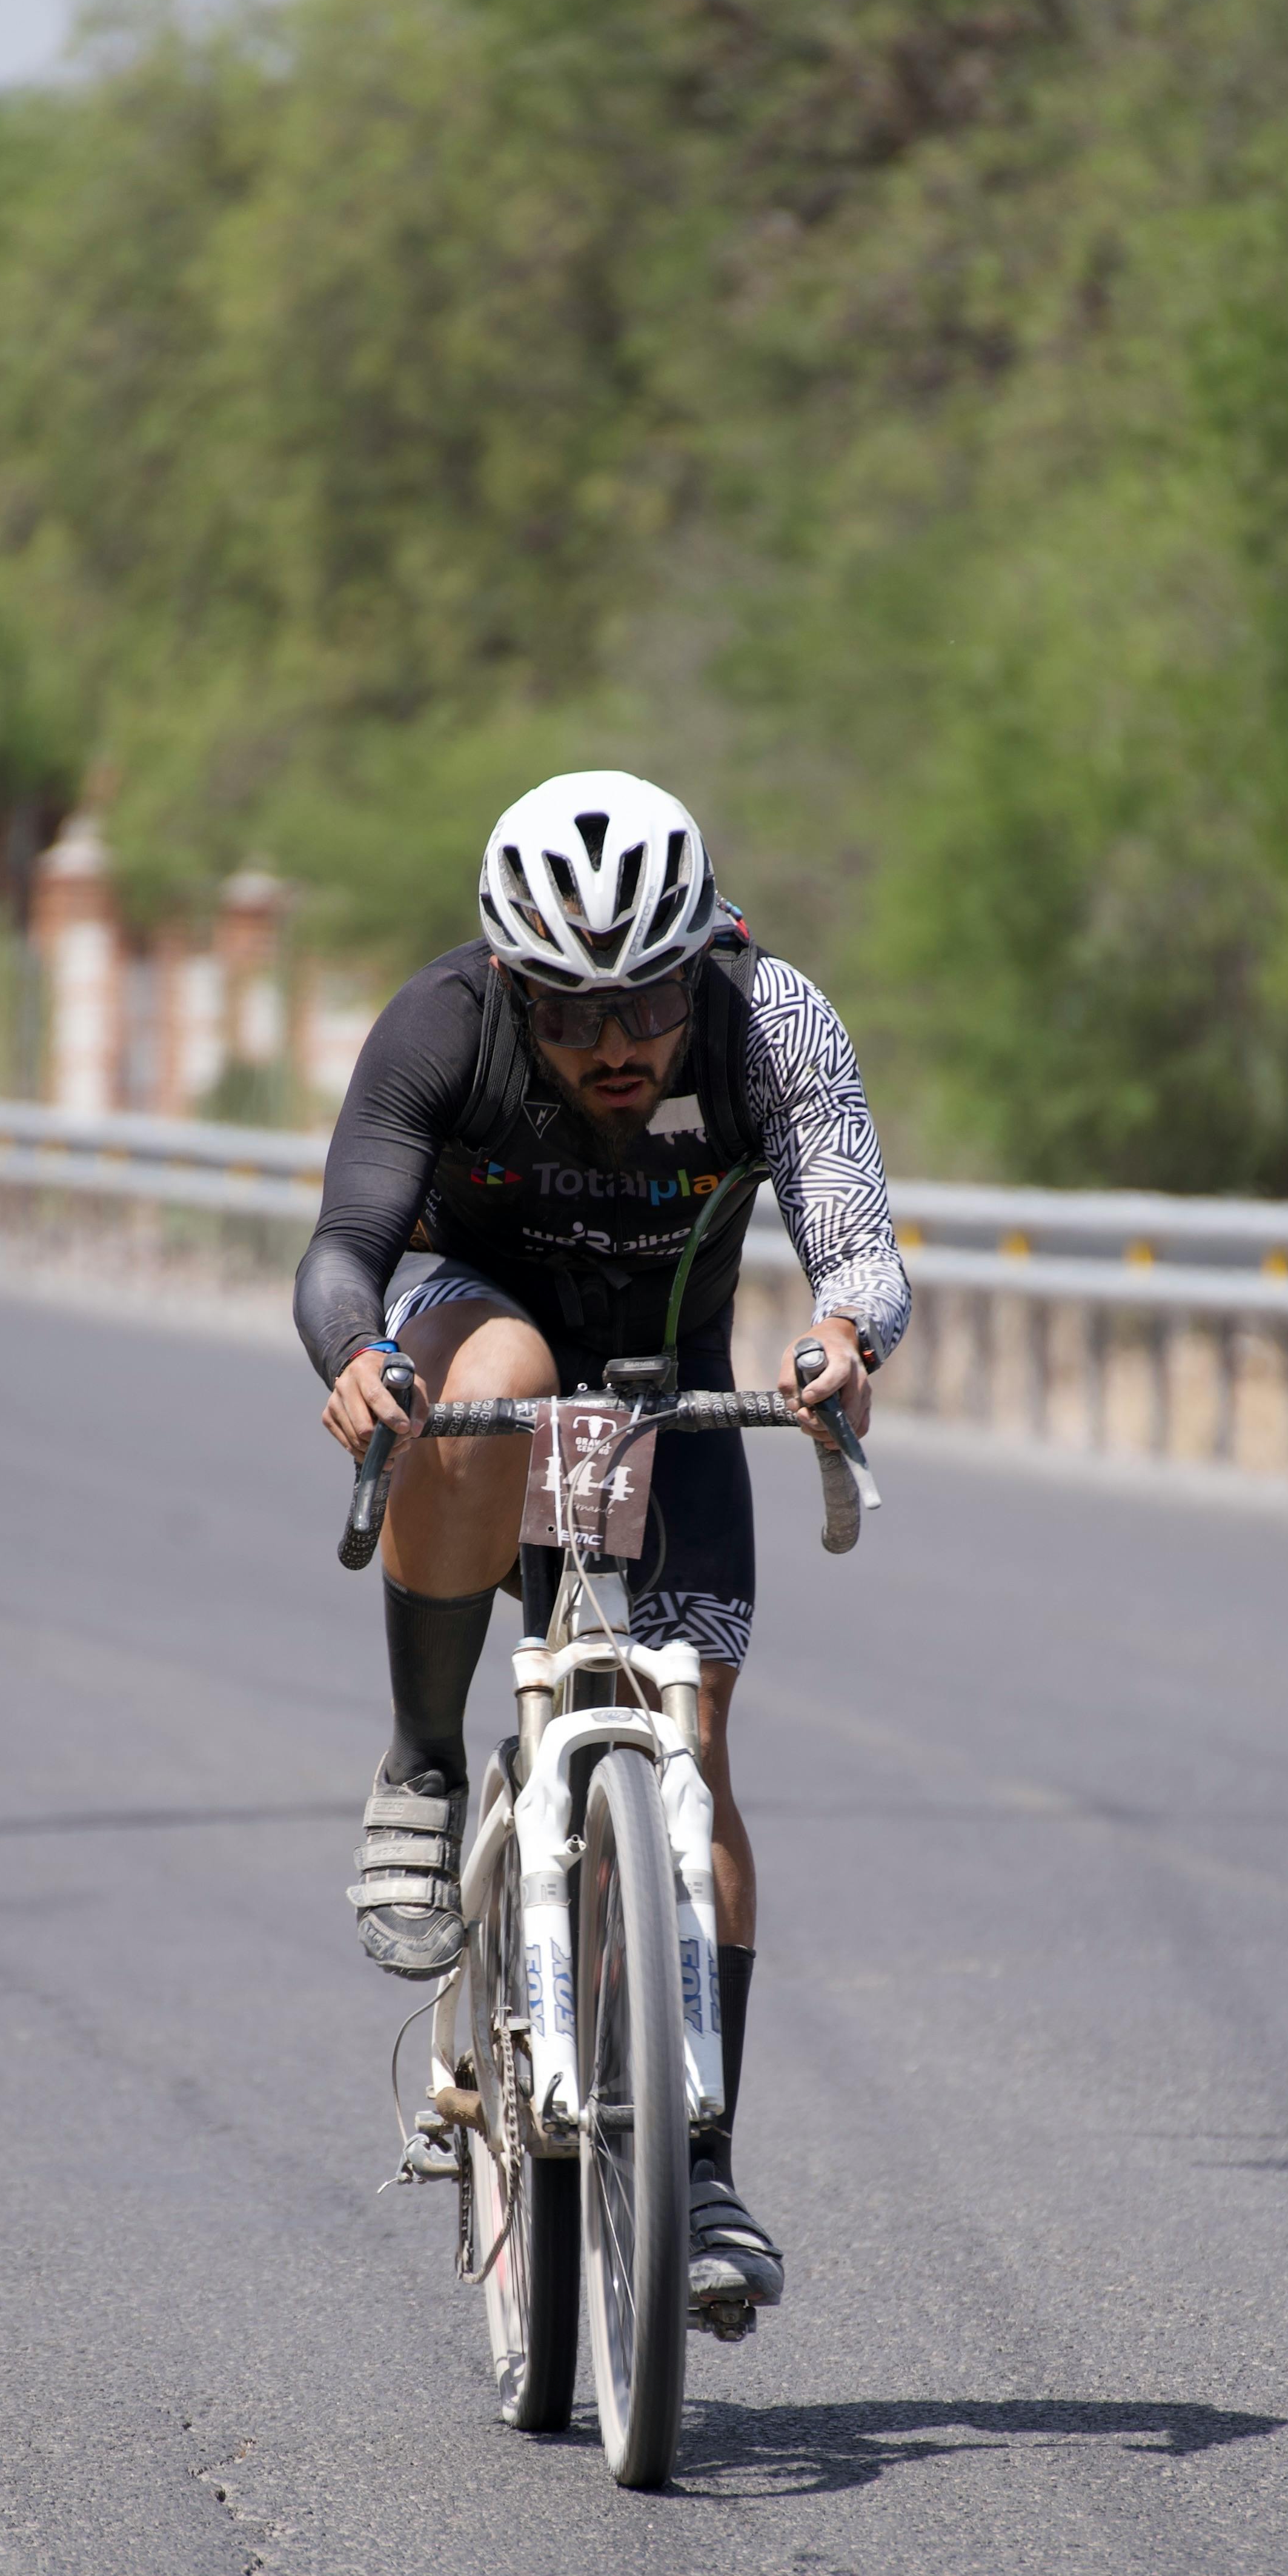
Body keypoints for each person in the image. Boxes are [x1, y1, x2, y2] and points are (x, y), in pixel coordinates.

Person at [294, 769, 911, 2325]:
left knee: (691, 1759)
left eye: (642, 1004)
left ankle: (695, 2163)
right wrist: (357, 1360)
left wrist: (842, 1333)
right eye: (567, 1016)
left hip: (669, 1391)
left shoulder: (774, 1023)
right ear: (507, 986)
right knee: (486, 1376)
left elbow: (853, 1236)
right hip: (476, 1344)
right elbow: (344, 1248)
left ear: (700, 960)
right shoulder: (438, 1027)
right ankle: (427, 1759)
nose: (613, 1046)